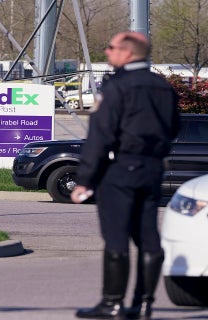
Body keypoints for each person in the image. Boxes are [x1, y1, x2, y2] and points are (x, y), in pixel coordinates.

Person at [71, 32, 180, 320]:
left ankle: (112, 303)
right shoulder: (162, 87)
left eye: (111, 47)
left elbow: (100, 135)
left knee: (116, 237)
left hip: (120, 169)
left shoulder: (118, 86)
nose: (107, 52)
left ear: (128, 53)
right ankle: (143, 304)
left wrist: (84, 179)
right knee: (148, 238)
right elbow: (175, 127)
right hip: (152, 168)